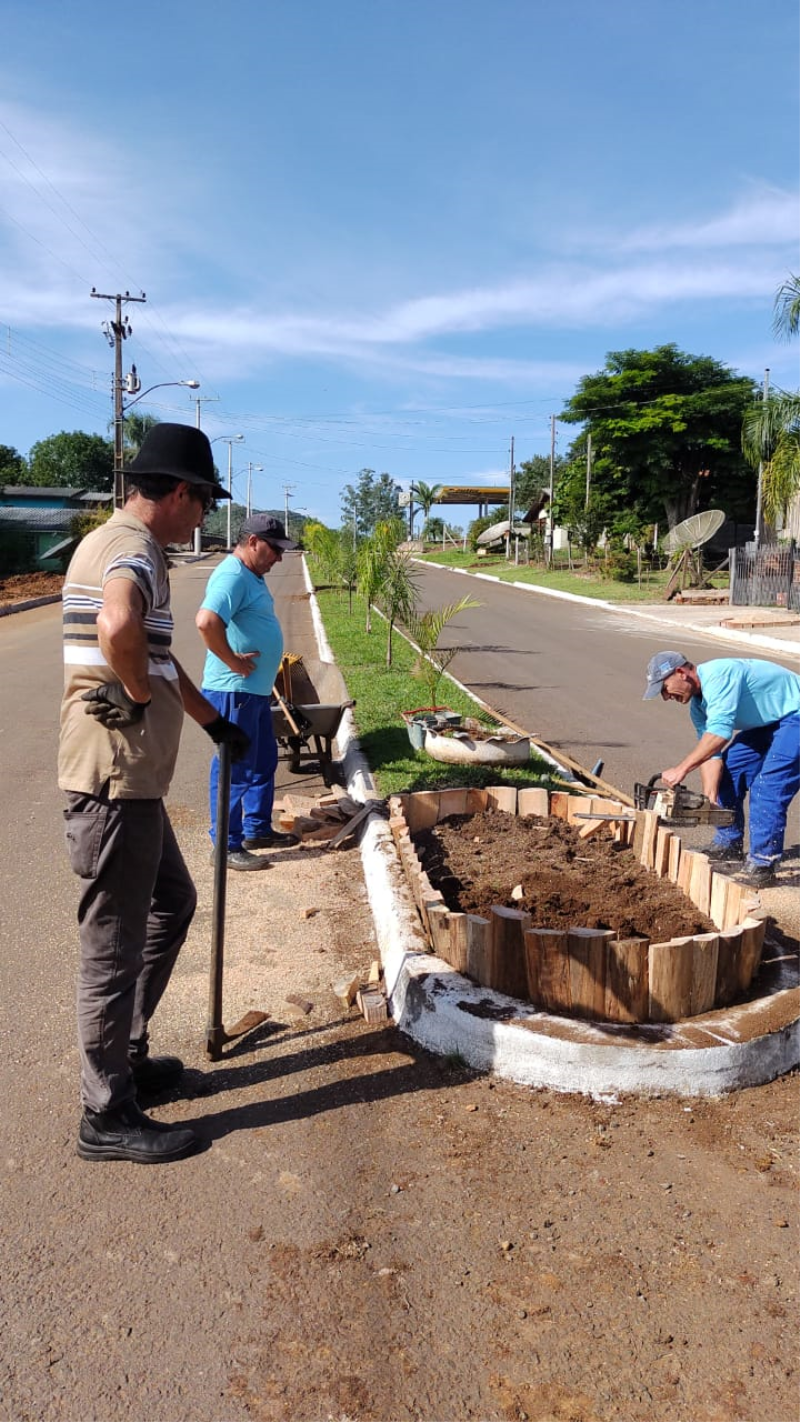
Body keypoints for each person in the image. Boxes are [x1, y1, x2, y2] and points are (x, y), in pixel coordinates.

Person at [59, 423, 250, 1164]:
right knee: (111, 949)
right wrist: (136, 693)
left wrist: (211, 724)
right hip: (111, 785)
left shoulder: (132, 547)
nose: (204, 515)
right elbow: (118, 628)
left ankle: (128, 1059)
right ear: (177, 492)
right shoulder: (131, 550)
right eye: (202, 500)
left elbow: (161, 660)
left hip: (129, 786)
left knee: (173, 903)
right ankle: (105, 1114)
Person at [642, 649, 800, 888]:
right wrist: (710, 794)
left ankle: (763, 863)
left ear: (680, 672)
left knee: (767, 788)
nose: (665, 697)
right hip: (770, 722)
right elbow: (711, 752)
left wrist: (681, 769)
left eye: (664, 688)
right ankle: (729, 843)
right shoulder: (698, 707)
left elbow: (719, 734)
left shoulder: (719, 675)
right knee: (728, 775)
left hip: (795, 716)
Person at [195, 514, 300, 870]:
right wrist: (232, 661)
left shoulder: (250, 575)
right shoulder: (232, 575)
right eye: (274, 549)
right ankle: (225, 845)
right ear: (252, 542)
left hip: (251, 691)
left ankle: (256, 828)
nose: (278, 558)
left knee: (262, 762)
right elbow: (206, 622)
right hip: (233, 690)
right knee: (235, 767)